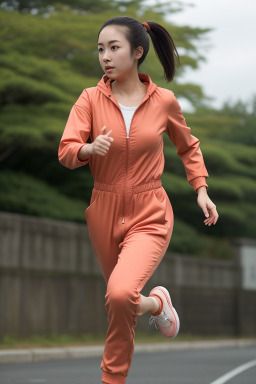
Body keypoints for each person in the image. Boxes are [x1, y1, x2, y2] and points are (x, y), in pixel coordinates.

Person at [58, 16, 219, 384]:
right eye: (101, 49)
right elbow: (66, 151)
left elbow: (188, 147)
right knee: (122, 302)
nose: (105, 57)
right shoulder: (89, 99)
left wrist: (201, 190)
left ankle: (111, 380)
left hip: (151, 211)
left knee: (118, 293)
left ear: (138, 52)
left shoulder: (163, 101)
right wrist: (87, 148)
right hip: (104, 208)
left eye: (114, 48)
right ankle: (158, 304)